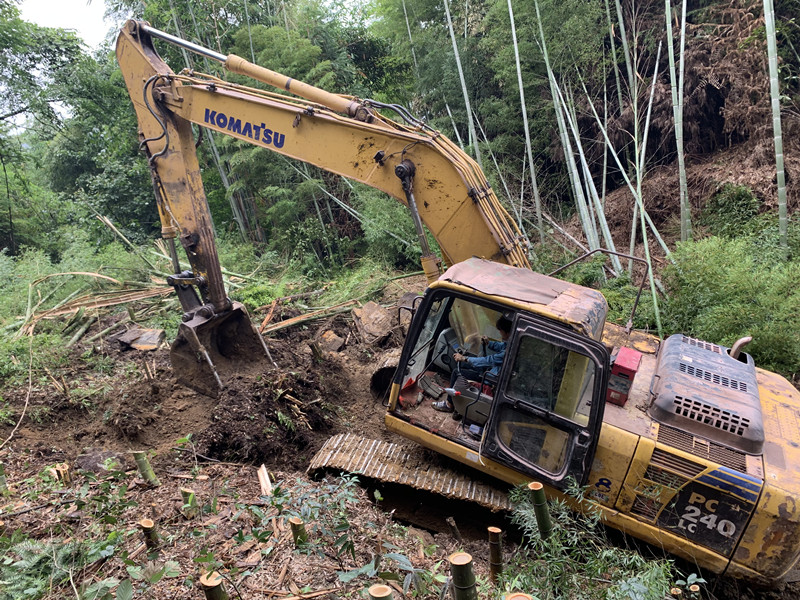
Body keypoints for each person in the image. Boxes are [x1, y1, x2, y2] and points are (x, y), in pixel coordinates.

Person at [433, 315, 512, 413]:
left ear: (507, 332)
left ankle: (449, 404)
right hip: (492, 372)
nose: (499, 332)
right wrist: (489, 343)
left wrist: (464, 358)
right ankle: (458, 400)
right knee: (464, 365)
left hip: (490, 379)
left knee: (456, 372)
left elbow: (488, 360)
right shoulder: (512, 343)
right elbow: (502, 346)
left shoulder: (508, 353)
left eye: (500, 330)